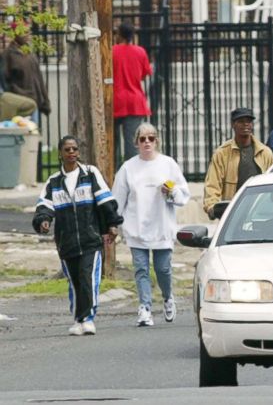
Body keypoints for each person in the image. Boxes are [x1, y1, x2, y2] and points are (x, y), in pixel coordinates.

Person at [33, 135, 123, 336]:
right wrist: (44, 221)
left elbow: (105, 199)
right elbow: (43, 207)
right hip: (66, 242)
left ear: (78, 153)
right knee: (74, 281)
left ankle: (88, 318)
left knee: (88, 277)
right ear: (60, 154)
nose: (72, 152)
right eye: (67, 150)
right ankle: (78, 319)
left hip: (91, 239)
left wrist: (112, 225)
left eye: (74, 149)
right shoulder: (53, 182)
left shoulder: (90, 174)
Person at [112, 123, 190, 327]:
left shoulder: (168, 164)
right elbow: (118, 198)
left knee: (163, 269)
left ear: (157, 141)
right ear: (136, 142)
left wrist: (171, 192)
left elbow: (183, 195)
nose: (147, 142)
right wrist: (113, 223)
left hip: (161, 226)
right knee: (141, 269)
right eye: (142, 138)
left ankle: (167, 297)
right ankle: (145, 307)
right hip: (136, 227)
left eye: (151, 138)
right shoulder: (128, 167)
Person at [203, 108, 273, 219]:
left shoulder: (265, 152)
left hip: (260, 212)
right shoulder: (222, 153)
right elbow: (213, 184)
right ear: (233, 124)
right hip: (232, 213)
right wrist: (212, 207)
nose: (245, 124)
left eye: (249, 121)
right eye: (241, 121)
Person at [112, 22, 153, 162]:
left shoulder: (112, 51)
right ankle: (131, 174)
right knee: (132, 142)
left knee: (112, 141)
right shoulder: (140, 51)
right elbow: (145, 73)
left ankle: (113, 175)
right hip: (135, 101)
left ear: (119, 35)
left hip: (115, 100)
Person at [3, 21, 51, 118]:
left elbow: (39, 79)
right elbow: (4, 82)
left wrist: (45, 101)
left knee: (33, 131)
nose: (27, 34)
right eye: (23, 32)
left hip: (35, 102)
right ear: (15, 34)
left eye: (28, 31)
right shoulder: (7, 55)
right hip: (20, 106)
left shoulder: (30, 54)